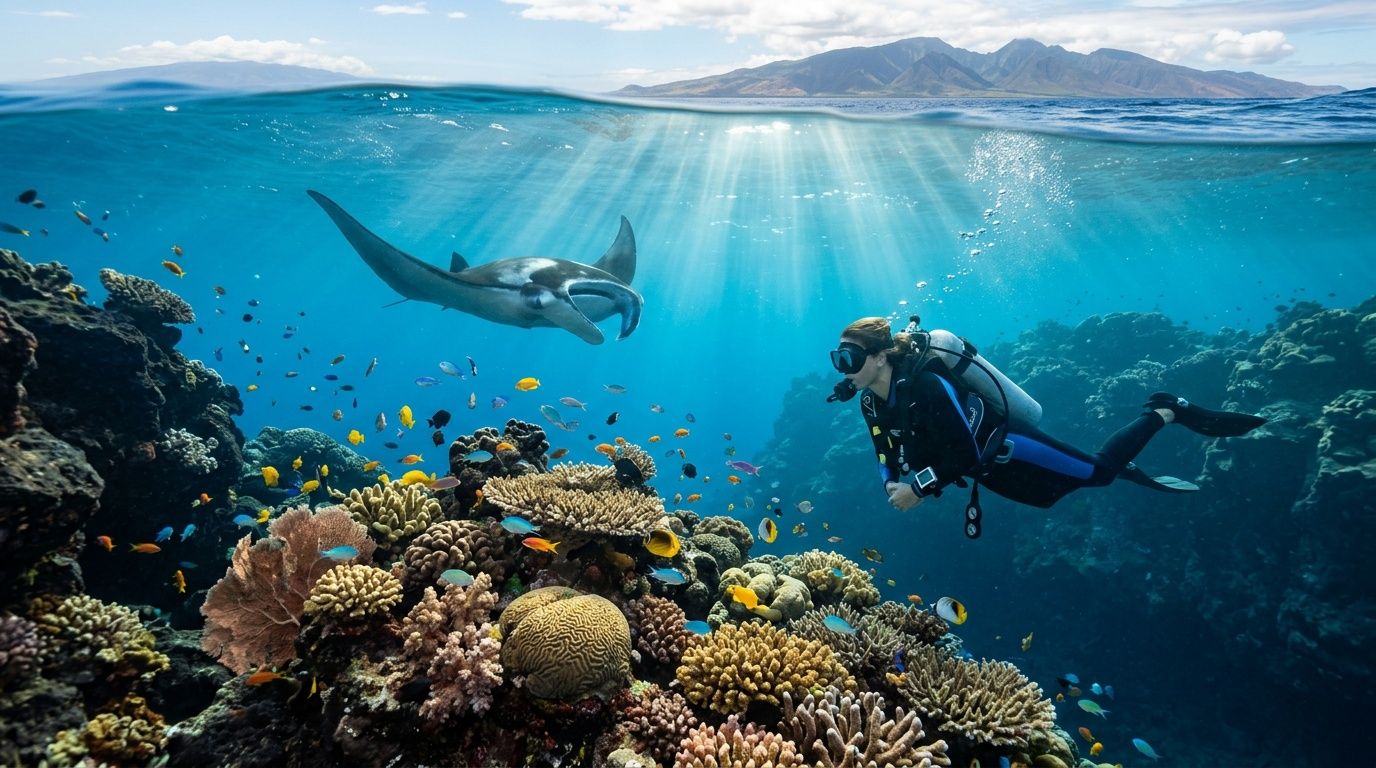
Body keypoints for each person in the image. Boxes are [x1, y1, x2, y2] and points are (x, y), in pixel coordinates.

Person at [828, 316, 1266, 537]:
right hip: (986, 467)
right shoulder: (870, 400)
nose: (842, 369)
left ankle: (1165, 410)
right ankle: (1121, 463)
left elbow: (962, 454)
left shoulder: (926, 385)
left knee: (1098, 474)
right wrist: (889, 480)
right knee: (1048, 498)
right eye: (838, 359)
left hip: (1010, 445)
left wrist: (916, 490)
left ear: (881, 356)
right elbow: (882, 446)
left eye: (849, 358)